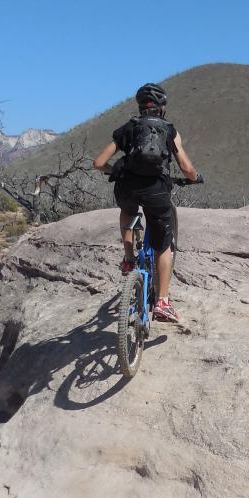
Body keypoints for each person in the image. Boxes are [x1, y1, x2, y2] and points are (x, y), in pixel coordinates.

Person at [92, 83, 200, 323]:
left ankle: (129, 259)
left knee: (128, 212)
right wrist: (195, 178)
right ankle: (162, 301)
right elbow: (187, 168)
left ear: (140, 107)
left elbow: (98, 162)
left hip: (127, 188)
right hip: (157, 191)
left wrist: (115, 172)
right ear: (163, 108)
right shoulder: (170, 131)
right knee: (163, 246)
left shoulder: (128, 128)